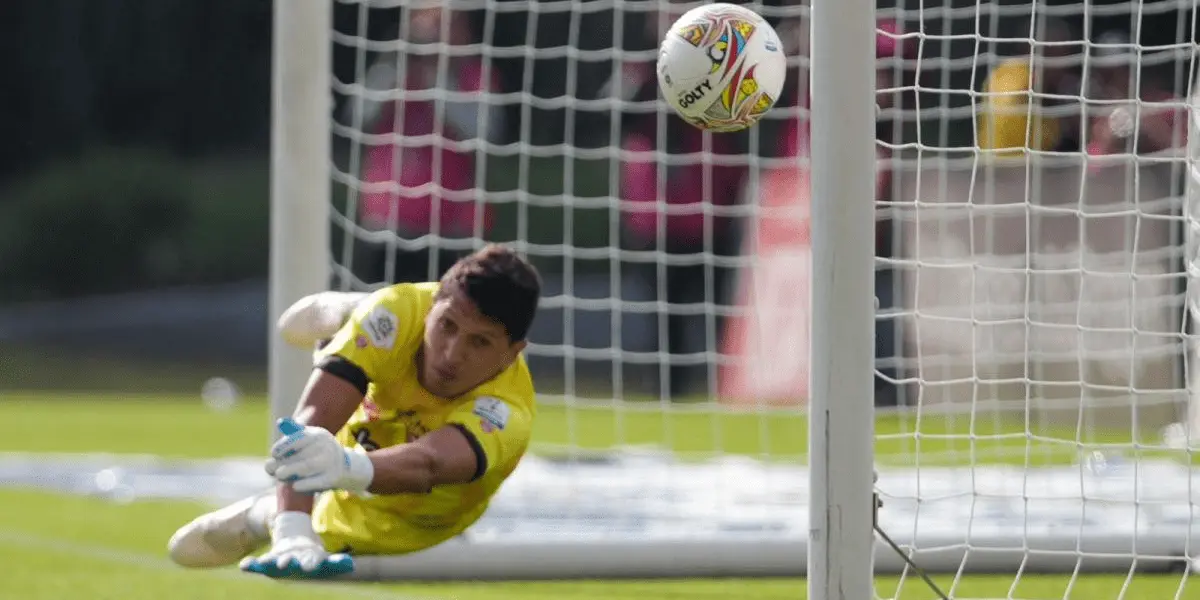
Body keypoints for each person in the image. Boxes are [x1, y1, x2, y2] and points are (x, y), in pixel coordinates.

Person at [166, 244, 542, 578]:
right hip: (353, 445)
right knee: (384, 316)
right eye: (446, 326)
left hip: (423, 520)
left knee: (328, 522)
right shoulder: (402, 314)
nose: (452, 353)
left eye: (480, 342)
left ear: (513, 352)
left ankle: (258, 515)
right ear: (432, 308)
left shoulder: (507, 410)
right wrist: (293, 529)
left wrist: (345, 469)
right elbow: (313, 418)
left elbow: (429, 464)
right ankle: (349, 314)